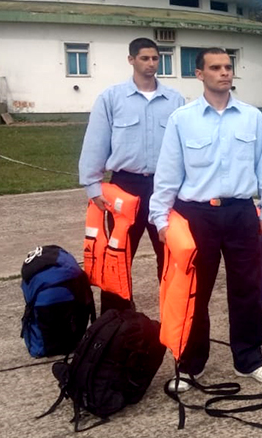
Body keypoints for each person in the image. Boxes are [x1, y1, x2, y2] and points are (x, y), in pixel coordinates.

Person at [149, 48, 262, 390]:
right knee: (194, 290)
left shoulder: (251, 117)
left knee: (247, 288)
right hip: (196, 215)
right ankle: (191, 364)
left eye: (228, 67)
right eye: (216, 67)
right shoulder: (183, 118)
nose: (224, 73)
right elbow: (167, 172)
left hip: (240, 212)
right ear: (199, 74)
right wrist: (160, 218)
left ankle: (249, 358)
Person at [78, 37, 185, 312]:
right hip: (126, 186)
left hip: (165, 189)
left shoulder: (175, 100)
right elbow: (95, 143)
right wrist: (93, 187)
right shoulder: (111, 98)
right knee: (117, 257)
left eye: (155, 59)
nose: (151, 64)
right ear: (131, 60)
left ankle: (174, 318)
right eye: (144, 58)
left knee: (171, 255)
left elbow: (185, 147)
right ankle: (115, 322)